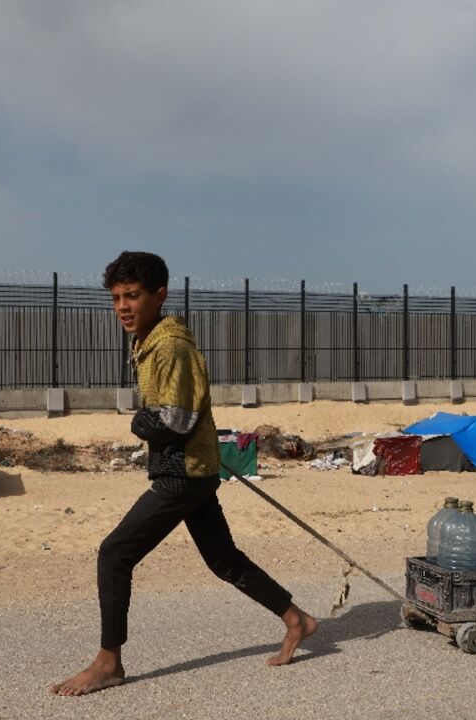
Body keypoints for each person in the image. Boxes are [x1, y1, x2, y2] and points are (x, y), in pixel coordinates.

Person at [51, 251, 317, 697]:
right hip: (193, 467)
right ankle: (298, 620)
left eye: (132, 295)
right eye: (116, 297)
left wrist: (138, 423)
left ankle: (108, 662)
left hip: (184, 474)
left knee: (114, 554)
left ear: (160, 295)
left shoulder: (170, 347)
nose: (122, 306)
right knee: (223, 559)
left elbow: (175, 419)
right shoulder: (152, 342)